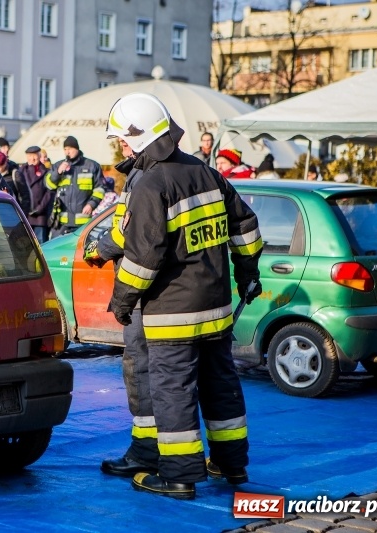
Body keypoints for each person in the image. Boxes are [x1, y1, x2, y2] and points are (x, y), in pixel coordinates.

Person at [107, 93, 263, 500]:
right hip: (217, 308)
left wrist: (122, 302)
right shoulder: (205, 172)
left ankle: (179, 477)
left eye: (123, 139)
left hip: (173, 315)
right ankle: (231, 464)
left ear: (140, 138)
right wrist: (247, 272)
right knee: (220, 384)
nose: (121, 147)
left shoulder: (151, 184)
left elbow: (143, 258)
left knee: (173, 391)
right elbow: (245, 225)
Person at [84, 105, 157, 478]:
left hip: (145, 293)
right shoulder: (183, 170)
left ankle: (146, 452)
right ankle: (214, 458)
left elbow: (130, 235)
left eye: (125, 140)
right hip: (176, 295)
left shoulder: (144, 178)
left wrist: (100, 250)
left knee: (140, 366)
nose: (121, 147)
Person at [45, 135, 104, 237]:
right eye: (65, 149)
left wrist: (91, 204)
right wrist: (58, 173)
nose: (67, 152)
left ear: (77, 148)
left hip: (82, 222)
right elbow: (49, 185)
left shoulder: (92, 166)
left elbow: (100, 189)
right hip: (61, 222)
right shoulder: (58, 165)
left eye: (70, 149)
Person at [16, 145, 53, 243]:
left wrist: (39, 208)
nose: (32, 159)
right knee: (25, 244)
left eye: (34, 156)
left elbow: (49, 193)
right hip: (24, 215)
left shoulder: (46, 172)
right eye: (29, 156)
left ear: (39, 156)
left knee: (40, 243)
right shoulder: (20, 171)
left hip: (40, 217)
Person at [0, 151, 31, 216]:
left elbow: (25, 196)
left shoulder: (15, 174)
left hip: (13, 214)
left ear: (5, 162)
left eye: (0, 166)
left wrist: (23, 215)